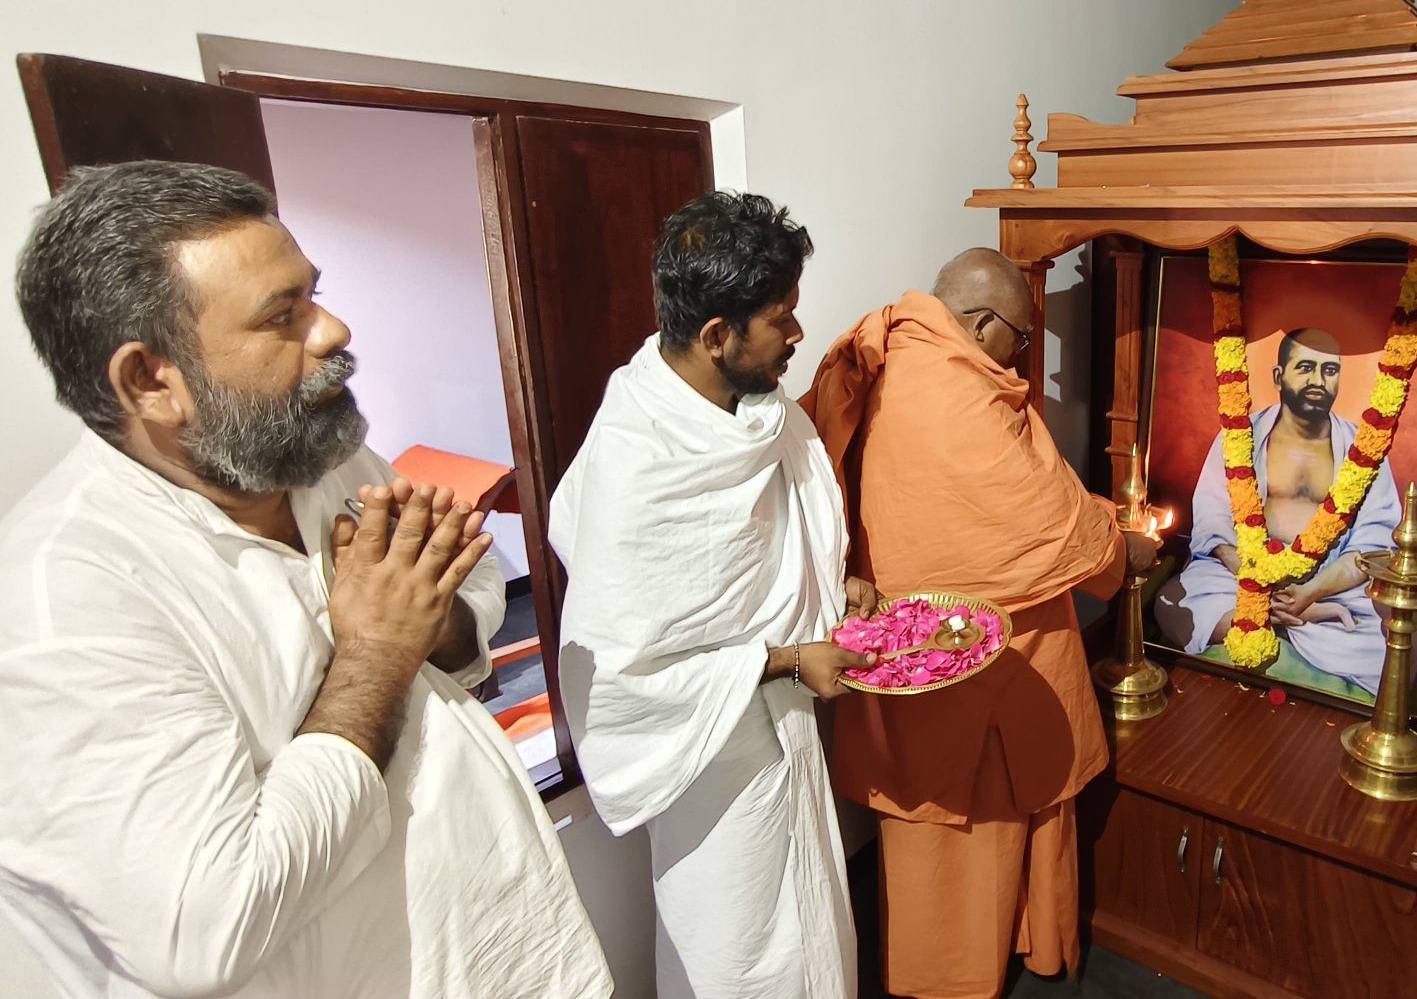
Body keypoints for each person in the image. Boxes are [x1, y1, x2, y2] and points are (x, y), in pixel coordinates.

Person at [0, 161, 609, 998]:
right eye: (281, 316)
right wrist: (377, 653)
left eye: (312, 295)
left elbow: (461, 605)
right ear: (150, 381)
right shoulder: (63, 604)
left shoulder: (322, 457)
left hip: (507, 950)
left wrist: (428, 617)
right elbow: (209, 930)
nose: (332, 330)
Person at [803, 248, 1158, 998]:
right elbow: (1035, 521)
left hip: (919, 637)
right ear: (981, 322)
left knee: (969, 808)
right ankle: (955, 977)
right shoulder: (947, 387)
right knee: (964, 817)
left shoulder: (896, 346)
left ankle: (1011, 945)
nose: (1021, 359)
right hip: (966, 651)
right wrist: (1118, 547)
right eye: (1020, 339)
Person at [549, 190, 874, 999]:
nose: (798, 333)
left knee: (810, 935)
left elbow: (767, 547)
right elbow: (623, 668)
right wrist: (787, 658)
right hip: (704, 759)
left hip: (783, 728)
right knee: (736, 955)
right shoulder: (638, 458)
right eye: (781, 318)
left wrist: (829, 585)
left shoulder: (760, 407)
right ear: (717, 335)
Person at [1154, 327, 1410, 699]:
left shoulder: (1367, 452)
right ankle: (1290, 618)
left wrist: (1312, 592)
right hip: (1240, 575)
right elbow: (1213, 522)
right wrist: (1257, 582)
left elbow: (1373, 544)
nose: (1318, 379)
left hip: (1330, 586)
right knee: (1172, 603)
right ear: (1278, 376)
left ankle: (1285, 617)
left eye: (1329, 370)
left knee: (1388, 645)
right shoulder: (1239, 436)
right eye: (1305, 367)